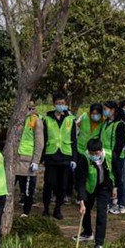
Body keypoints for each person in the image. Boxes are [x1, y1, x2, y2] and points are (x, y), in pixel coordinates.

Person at [76, 138, 116, 248]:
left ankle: (99, 243)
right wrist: (81, 201)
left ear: (101, 150)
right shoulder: (84, 158)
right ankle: (87, 232)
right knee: (86, 211)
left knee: (101, 213)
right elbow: (80, 181)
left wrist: (115, 188)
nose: (94, 156)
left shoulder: (109, 155)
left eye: (96, 153)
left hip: (104, 187)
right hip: (90, 187)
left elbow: (117, 171)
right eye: (91, 154)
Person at [41, 91, 78, 219]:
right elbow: (43, 139)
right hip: (51, 155)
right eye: (58, 103)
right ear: (54, 104)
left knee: (62, 185)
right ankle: (46, 208)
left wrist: (74, 158)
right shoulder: (47, 119)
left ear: (65, 104)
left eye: (62, 103)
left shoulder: (70, 119)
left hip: (65, 155)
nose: (60, 105)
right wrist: (41, 157)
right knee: (49, 183)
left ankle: (58, 209)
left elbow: (74, 139)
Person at [14, 101, 44, 217]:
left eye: (31, 107)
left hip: (28, 161)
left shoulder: (35, 120)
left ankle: (26, 212)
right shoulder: (17, 119)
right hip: (15, 159)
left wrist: (36, 161)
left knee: (28, 190)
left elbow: (39, 142)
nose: (30, 109)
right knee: (9, 187)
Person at [101, 102, 125, 214]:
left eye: (106, 109)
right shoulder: (105, 123)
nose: (104, 111)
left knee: (118, 180)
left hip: (116, 157)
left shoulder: (119, 124)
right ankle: (109, 202)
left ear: (112, 110)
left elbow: (119, 143)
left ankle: (121, 203)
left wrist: (114, 157)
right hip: (105, 156)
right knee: (107, 180)